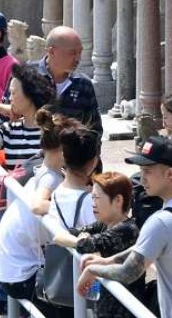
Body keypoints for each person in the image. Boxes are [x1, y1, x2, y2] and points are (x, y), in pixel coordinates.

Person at [79, 135, 172, 317]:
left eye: (147, 171)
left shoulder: (160, 222)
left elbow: (128, 272)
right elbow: (144, 249)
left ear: (170, 174)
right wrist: (107, 261)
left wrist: (93, 269)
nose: (142, 178)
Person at [0, 110, 74, 315]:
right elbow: (37, 205)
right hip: (21, 275)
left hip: (11, 268)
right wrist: (65, 206)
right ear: (62, 150)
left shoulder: (40, 170)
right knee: (71, 301)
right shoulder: (50, 179)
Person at [54, 171, 147, 318]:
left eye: (97, 197)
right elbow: (62, 236)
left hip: (123, 310)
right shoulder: (104, 224)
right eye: (92, 197)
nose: (93, 203)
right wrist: (82, 240)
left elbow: (85, 245)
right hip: (105, 306)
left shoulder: (127, 230)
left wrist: (83, 240)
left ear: (118, 200)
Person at [38, 125, 102, 315]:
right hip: (86, 283)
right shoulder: (91, 201)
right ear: (93, 163)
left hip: (58, 281)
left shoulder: (57, 192)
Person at [0, 63, 56, 173]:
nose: (10, 98)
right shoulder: (10, 129)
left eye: (13, 93)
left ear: (30, 94)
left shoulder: (54, 129)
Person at [33, 27, 103, 136]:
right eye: (72, 53)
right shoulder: (27, 77)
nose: (78, 58)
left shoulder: (83, 84)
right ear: (52, 52)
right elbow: (9, 117)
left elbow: (94, 129)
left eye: (80, 52)